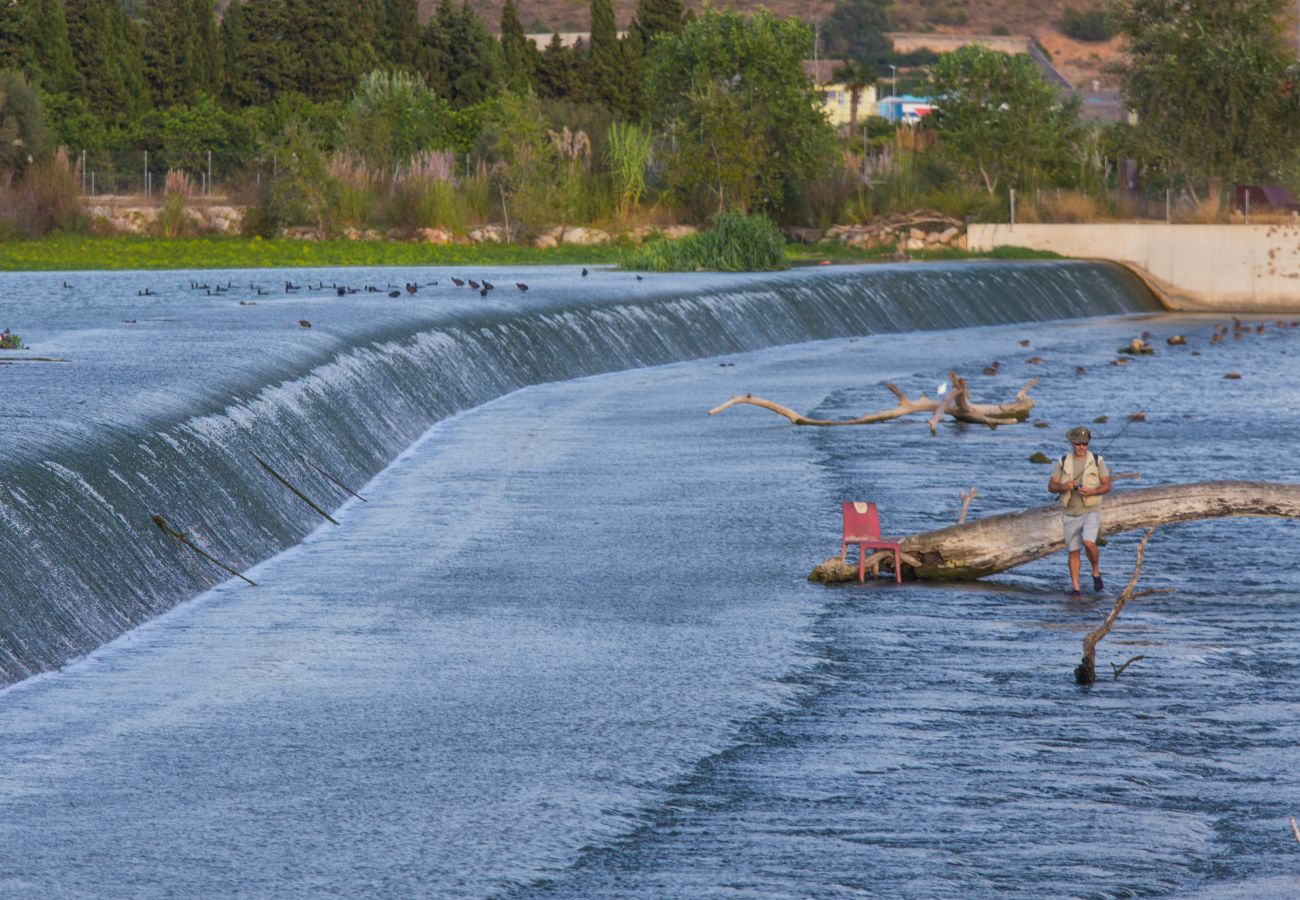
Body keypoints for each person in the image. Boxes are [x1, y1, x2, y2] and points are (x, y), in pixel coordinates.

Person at [1048, 426, 1112, 596]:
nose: (1082, 447)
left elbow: (1107, 485)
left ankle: (1096, 572)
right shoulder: (1062, 461)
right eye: (1078, 444)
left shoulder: (1098, 460)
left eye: (1084, 443)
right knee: (1073, 551)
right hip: (1070, 512)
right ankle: (1076, 589)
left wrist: (1093, 491)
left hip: (1091, 509)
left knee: (1089, 542)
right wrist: (1063, 486)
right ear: (1072, 443)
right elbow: (1051, 486)